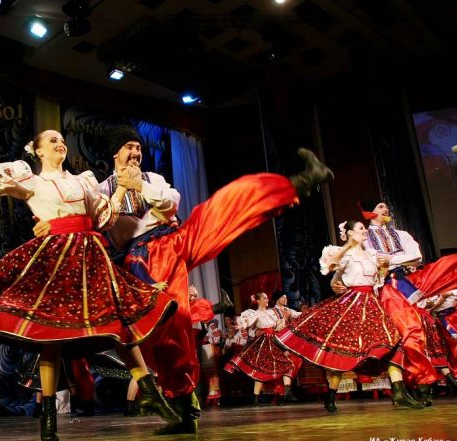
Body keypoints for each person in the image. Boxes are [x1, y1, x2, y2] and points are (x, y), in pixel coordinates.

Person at [47, 125, 333, 434]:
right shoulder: (102, 189)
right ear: (115, 153)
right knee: (172, 329)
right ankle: (184, 410)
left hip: (175, 237)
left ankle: (299, 183)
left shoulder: (152, 179)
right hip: (144, 257)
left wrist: (141, 188)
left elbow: (171, 202)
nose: (136, 152)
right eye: (129, 147)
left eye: (138, 147)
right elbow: (97, 220)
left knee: (221, 209)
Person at [0, 129, 180, 441]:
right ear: (38, 151)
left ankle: (150, 393)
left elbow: (103, 218)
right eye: (52, 140)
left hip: (90, 256)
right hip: (56, 259)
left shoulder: (84, 180)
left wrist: (120, 189)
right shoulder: (31, 180)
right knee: (52, 335)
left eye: (62, 140)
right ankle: (48, 418)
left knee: (119, 323)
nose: (60, 143)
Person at [277, 220, 424, 412]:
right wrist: (337, 275)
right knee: (343, 351)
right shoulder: (345, 253)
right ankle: (331, 395)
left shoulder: (371, 254)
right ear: (350, 233)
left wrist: (384, 268)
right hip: (352, 304)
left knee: (392, 343)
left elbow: (379, 279)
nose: (365, 231)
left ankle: (399, 391)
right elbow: (330, 268)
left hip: (372, 304)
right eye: (361, 228)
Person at [336, 200, 457, 404]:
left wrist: (390, 259)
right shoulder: (364, 236)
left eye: (386, 206)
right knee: (409, 331)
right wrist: (339, 282)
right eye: (380, 207)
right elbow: (364, 261)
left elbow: (416, 257)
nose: (386, 209)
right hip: (385, 286)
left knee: (448, 266)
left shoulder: (401, 234)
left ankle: (421, 384)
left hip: (406, 281)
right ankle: (421, 383)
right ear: (369, 213)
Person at [224, 292, 302, 406]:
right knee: (261, 370)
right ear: (258, 301)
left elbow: (278, 327)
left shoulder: (271, 313)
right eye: (264, 298)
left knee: (287, 364)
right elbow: (249, 327)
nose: (267, 300)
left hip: (274, 340)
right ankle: (256, 397)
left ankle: (286, 391)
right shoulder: (255, 314)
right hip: (263, 343)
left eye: (267, 298)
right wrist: (245, 326)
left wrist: (284, 319)